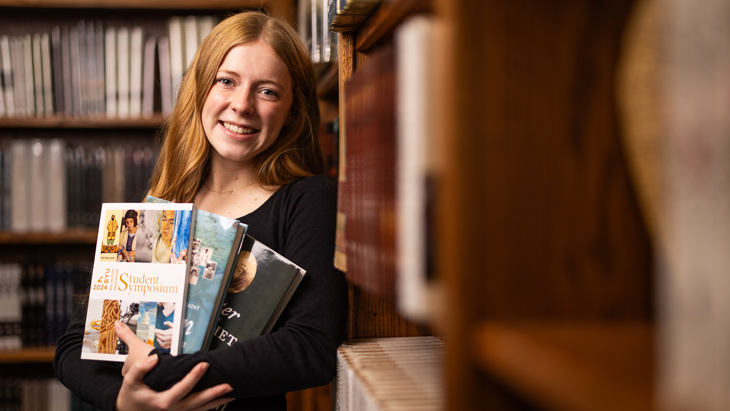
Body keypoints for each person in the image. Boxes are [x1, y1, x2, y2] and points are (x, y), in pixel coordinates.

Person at [54, 10, 347, 411]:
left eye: (268, 91)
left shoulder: (309, 199)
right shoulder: (164, 202)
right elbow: (76, 344)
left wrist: (164, 373)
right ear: (200, 90)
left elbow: (311, 347)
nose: (241, 105)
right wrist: (126, 401)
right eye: (226, 81)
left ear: (292, 110)